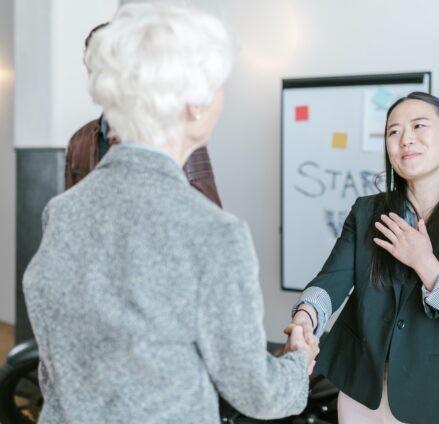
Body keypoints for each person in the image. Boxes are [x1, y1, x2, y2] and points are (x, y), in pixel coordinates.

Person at [22, 3, 317, 423]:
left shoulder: (61, 212)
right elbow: (259, 394)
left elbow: (55, 367)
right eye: (218, 85)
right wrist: (298, 362)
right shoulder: (216, 233)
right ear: (195, 104)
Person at [286, 92, 439, 424]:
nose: (405, 139)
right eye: (393, 131)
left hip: (438, 402)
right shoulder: (366, 212)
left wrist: (427, 266)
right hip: (362, 393)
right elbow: (331, 281)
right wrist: (305, 318)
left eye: (419, 126)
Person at [65, 22, 223, 206]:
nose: (102, 76)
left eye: (109, 66)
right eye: (94, 67)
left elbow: (207, 210)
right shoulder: (79, 141)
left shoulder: (176, 135)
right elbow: (70, 211)